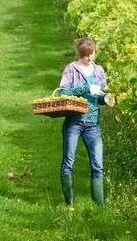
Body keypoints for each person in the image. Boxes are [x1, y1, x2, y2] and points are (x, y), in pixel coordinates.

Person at [56, 37, 114, 207]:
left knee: (98, 166)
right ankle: (69, 204)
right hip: (73, 122)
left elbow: (101, 96)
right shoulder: (71, 69)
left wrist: (106, 98)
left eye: (91, 54)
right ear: (79, 55)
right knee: (68, 163)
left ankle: (99, 207)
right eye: (85, 55)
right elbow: (62, 93)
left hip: (92, 124)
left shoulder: (99, 71)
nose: (89, 58)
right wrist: (85, 88)